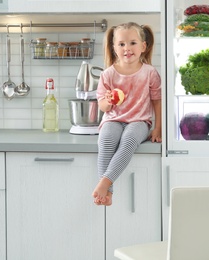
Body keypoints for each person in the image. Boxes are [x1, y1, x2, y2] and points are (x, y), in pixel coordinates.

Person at [92, 22, 162, 206]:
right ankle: (108, 195)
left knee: (129, 140)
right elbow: (103, 107)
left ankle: (104, 184)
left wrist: (158, 128)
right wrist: (109, 100)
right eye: (121, 44)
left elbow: (157, 101)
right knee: (106, 139)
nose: (127, 48)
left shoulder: (150, 73)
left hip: (139, 121)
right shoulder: (108, 75)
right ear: (114, 48)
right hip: (113, 119)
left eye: (132, 43)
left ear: (143, 46)